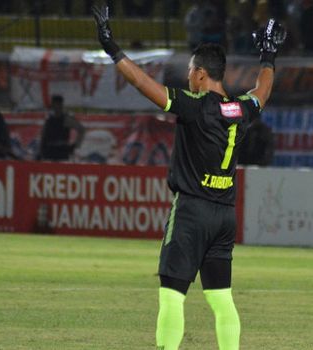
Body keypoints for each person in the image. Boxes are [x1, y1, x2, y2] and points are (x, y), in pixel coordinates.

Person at [92, 3, 286, 349]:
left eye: (191, 71)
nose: (188, 77)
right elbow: (263, 91)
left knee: (171, 297)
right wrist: (268, 57)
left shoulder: (194, 106)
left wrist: (112, 48)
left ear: (200, 74)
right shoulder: (240, 108)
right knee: (221, 299)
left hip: (192, 213)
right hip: (225, 215)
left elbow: (141, 83)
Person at [36, 95, 85, 162]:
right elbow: (43, 136)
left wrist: (75, 146)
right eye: (55, 104)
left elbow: (81, 129)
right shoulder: (49, 120)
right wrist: (40, 152)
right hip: (49, 153)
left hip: (62, 153)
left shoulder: (66, 119)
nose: (56, 107)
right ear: (52, 105)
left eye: (58, 104)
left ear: (61, 105)